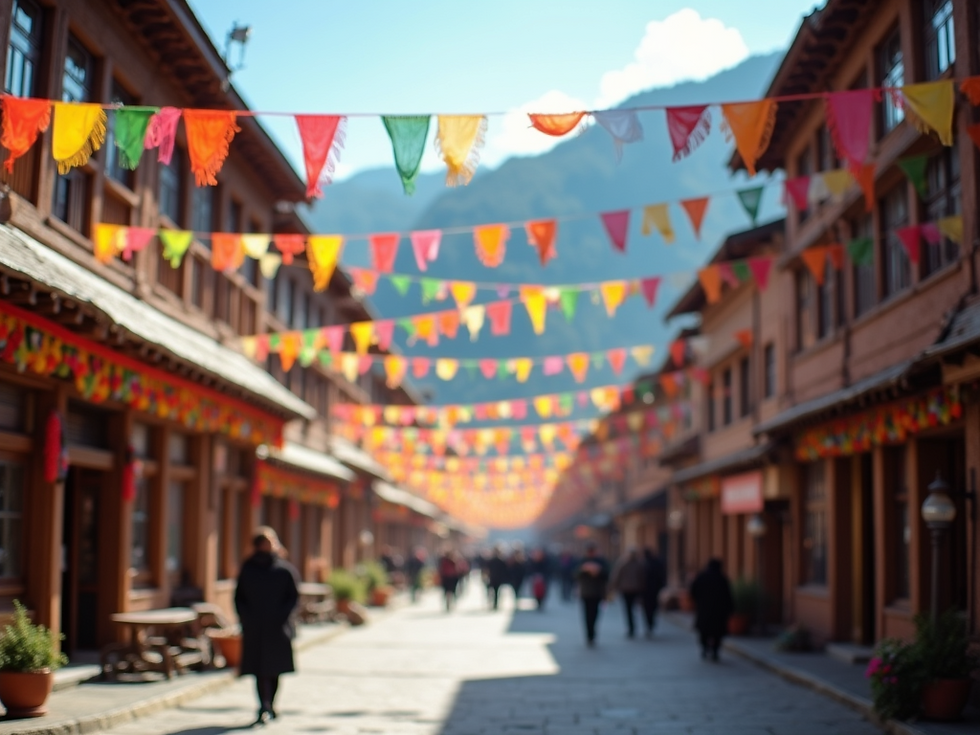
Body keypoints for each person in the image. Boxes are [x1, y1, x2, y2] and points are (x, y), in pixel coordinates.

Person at [234, 527, 300, 726]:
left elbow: (293, 597)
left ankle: (271, 704)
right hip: (255, 628)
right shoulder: (248, 568)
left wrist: (282, 616)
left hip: (278, 627)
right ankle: (263, 705)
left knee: (275, 668)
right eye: (266, 542)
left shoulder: (284, 570)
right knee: (259, 669)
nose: (270, 545)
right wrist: (246, 618)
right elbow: (239, 597)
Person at [689, 558, 735, 662]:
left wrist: (699, 601)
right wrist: (730, 609)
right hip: (719, 611)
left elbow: (693, 591)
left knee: (704, 631)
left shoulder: (701, 577)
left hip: (704, 609)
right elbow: (728, 595)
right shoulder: (722, 579)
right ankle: (715, 651)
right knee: (717, 632)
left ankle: (705, 648)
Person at [576, 543, 609, 647]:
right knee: (587, 614)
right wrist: (584, 570)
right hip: (586, 592)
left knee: (595, 614)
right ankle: (589, 634)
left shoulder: (601, 561)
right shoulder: (582, 561)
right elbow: (575, 574)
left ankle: (593, 632)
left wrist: (598, 571)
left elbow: (607, 575)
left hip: (597, 592)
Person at [610, 547, 646, 639]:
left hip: (625, 589)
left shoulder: (623, 563)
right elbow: (642, 577)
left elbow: (616, 577)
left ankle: (631, 627)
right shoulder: (639, 564)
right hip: (635, 589)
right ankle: (633, 626)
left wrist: (613, 587)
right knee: (633, 608)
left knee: (628, 609)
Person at [641, 547, 667, 638]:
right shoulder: (656, 563)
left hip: (646, 590)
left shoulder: (644, 563)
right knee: (652, 606)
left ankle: (649, 623)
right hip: (654, 589)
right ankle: (651, 623)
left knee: (647, 608)